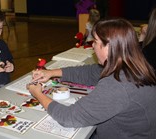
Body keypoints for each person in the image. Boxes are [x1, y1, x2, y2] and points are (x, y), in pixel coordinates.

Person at [27, 18, 156, 139]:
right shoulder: (131, 64)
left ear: (109, 46)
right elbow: (91, 72)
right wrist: (51, 73)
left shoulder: (118, 85)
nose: (92, 46)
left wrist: (37, 93)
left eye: (95, 41)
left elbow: (69, 117)